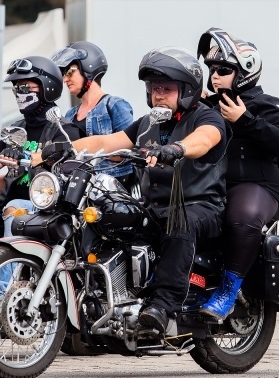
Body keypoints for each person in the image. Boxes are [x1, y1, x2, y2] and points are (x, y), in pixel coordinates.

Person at [61, 47, 228, 332]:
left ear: (187, 90)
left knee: (179, 224)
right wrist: (62, 149)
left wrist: (177, 148)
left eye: (167, 88)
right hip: (155, 207)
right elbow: (106, 142)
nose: (159, 94)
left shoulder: (206, 118)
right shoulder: (148, 123)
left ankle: (163, 307)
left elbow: (205, 139)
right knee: (111, 220)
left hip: (201, 206)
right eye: (154, 88)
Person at [196, 27, 279, 318]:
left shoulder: (269, 105)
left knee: (244, 216)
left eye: (223, 70)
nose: (214, 76)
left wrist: (245, 120)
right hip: (214, 185)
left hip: (257, 185)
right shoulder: (208, 107)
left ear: (246, 71)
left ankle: (228, 291)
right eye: (211, 69)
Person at [0, 56, 82, 236]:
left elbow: (67, 177)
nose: (19, 93)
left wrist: (30, 158)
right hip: (8, 205)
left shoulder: (64, 130)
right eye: (16, 88)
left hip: (45, 212)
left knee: (13, 208)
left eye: (24, 87)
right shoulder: (16, 131)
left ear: (47, 86)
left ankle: (7, 255)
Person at [50, 41, 134, 184]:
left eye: (69, 72)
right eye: (63, 74)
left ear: (88, 68)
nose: (65, 79)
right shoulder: (70, 114)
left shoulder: (115, 105)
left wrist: (87, 150)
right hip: (74, 187)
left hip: (107, 188)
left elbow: (127, 152)